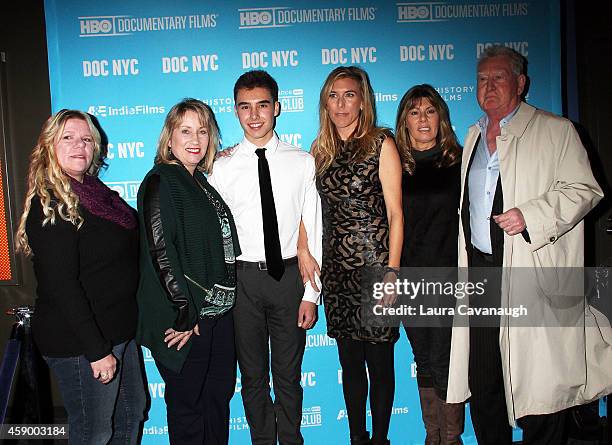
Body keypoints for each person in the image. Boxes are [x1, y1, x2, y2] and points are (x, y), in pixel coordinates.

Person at [446, 45, 612, 445]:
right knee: (484, 384)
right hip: (483, 277)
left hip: (531, 274)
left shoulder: (556, 131)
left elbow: (586, 190)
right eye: (482, 79)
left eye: (498, 78)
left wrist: (531, 216)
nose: (489, 86)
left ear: (520, 83)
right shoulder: (472, 136)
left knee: (540, 390)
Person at [15, 109, 145, 444]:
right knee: (94, 433)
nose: (79, 145)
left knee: (130, 417)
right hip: (81, 341)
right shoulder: (52, 205)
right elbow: (62, 286)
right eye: (68, 138)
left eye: (86, 139)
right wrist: (96, 350)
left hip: (117, 332)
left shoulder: (97, 195)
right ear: (49, 146)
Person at [207, 70, 322, 445]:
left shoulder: (302, 161)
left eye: (261, 105)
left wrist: (311, 294)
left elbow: (313, 227)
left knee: (288, 376)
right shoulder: (220, 168)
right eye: (245, 107)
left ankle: (290, 440)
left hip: (289, 278)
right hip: (243, 282)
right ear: (235, 111)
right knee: (252, 376)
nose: (254, 115)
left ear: (277, 108)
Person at [301, 65, 404, 445]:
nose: (341, 103)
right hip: (337, 272)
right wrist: (302, 249)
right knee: (349, 363)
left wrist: (393, 270)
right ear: (324, 103)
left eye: (349, 95)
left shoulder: (382, 143)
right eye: (333, 95)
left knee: (379, 363)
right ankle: (357, 438)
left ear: (362, 101)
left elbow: (395, 213)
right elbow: (307, 210)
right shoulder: (319, 150)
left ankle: (379, 440)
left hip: (375, 267)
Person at [136, 99, 241, 445]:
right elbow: (160, 251)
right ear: (169, 138)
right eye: (185, 130)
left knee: (216, 401)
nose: (195, 138)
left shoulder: (200, 183)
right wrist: (183, 311)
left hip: (217, 316)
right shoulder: (161, 180)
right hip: (187, 319)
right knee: (189, 408)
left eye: (203, 130)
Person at [395, 84, 464, 444]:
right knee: (423, 359)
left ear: (441, 117)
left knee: (445, 362)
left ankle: (450, 438)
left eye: (430, 111)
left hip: (448, 278)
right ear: (404, 120)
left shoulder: (460, 163)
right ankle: (432, 436)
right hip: (407, 279)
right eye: (414, 112)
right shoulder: (395, 165)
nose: (423, 119)